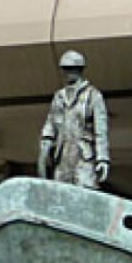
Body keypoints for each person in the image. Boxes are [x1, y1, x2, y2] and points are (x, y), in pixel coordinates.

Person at [38, 51, 110, 190]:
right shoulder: (59, 96)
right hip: (63, 155)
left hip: (83, 155)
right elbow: (51, 122)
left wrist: (102, 159)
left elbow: (101, 130)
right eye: (66, 69)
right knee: (61, 194)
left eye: (72, 69)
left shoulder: (93, 95)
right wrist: (46, 141)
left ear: (80, 70)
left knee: (84, 192)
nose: (69, 73)